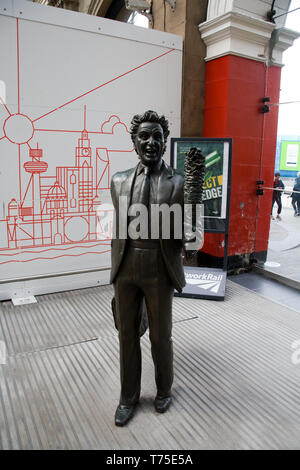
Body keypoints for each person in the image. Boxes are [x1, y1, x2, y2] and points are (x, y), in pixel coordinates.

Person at [110, 110, 186, 426]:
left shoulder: (179, 182)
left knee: (160, 336)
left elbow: (190, 235)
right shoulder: (118, 181)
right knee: (126, 335)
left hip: (159, 267)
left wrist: (194, 208)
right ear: (134, 141)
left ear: (165, 141)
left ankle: (164, 390)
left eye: (157, 136)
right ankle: (128, 398)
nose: (151, 142)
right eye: (144, 136)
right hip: (126, 269)